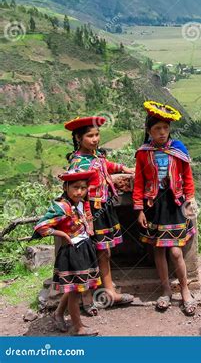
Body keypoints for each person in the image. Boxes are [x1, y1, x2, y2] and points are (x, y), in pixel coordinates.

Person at [133, 101, 197, 316]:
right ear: (149, 131)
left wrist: (190, 200)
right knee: (158, 249)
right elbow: (139, 182)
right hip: (154, 205)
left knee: (175, 250)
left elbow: (187, 177)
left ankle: (185, 290)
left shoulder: (178, 149)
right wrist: (139, 209)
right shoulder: (143, 153)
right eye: (157, 129)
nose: (162, 133)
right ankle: (166, 290)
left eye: (165, 128)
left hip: (174, 204)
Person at [65, 116, 134, 310]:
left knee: (104, 251)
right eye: (90, 136)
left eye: (97, 135)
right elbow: (77, 194)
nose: (95, 139)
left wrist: (123, 168)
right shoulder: (78, 164)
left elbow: (106, 166)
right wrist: (87, 218)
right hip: (90, 213)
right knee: (88, 254)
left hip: (103, 209)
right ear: (79, 138)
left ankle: (109, 291)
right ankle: (86, 298)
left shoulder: (95, 156)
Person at [33, 170, 101, 336]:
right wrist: (62, 234)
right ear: (66, 187)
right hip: (72, 252)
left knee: (74, 288)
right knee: (75, 291)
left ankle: (58, 313)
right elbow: (41, 227)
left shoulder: (78, 202)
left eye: (83, 188)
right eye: (75, 187)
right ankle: (78, 328)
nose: (79, 191)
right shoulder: (62, 206)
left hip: (83, 248)